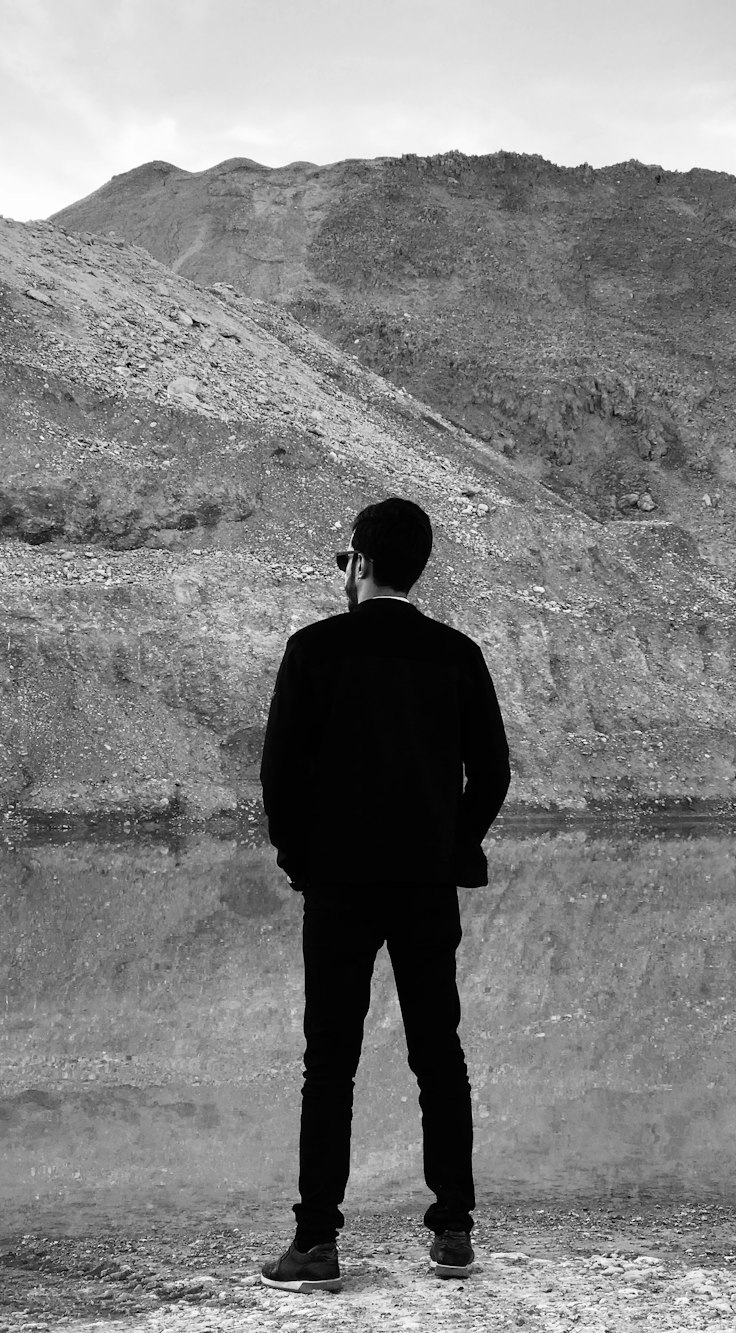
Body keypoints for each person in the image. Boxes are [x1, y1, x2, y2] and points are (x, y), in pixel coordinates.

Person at [258, 496, 511, 1294]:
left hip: (339, 885)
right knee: (440, 1054)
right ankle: (454, 1232)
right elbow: (493, 772)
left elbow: (280, 775)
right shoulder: (457, 655)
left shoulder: (313, 649)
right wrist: (452, 844)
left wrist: (303, 858)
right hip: (425, 885)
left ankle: (316, 1243)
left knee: (329, 1060)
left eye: (345, 560)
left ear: (361, 562)